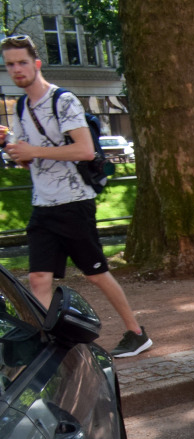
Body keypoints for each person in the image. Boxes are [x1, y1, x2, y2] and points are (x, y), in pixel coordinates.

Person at [1, 33, 151, 357]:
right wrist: (21, 155)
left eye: (22, 62)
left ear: (36, 64)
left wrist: (34, 149)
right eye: (10, 64)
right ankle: (48, 346)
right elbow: (31, 157)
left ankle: (137, 332)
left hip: (74, 204)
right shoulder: (22, 106)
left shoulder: (62, 100)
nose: (16, 69)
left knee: (96, 274)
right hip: (42, 206)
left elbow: (84, 149)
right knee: (38, 279)